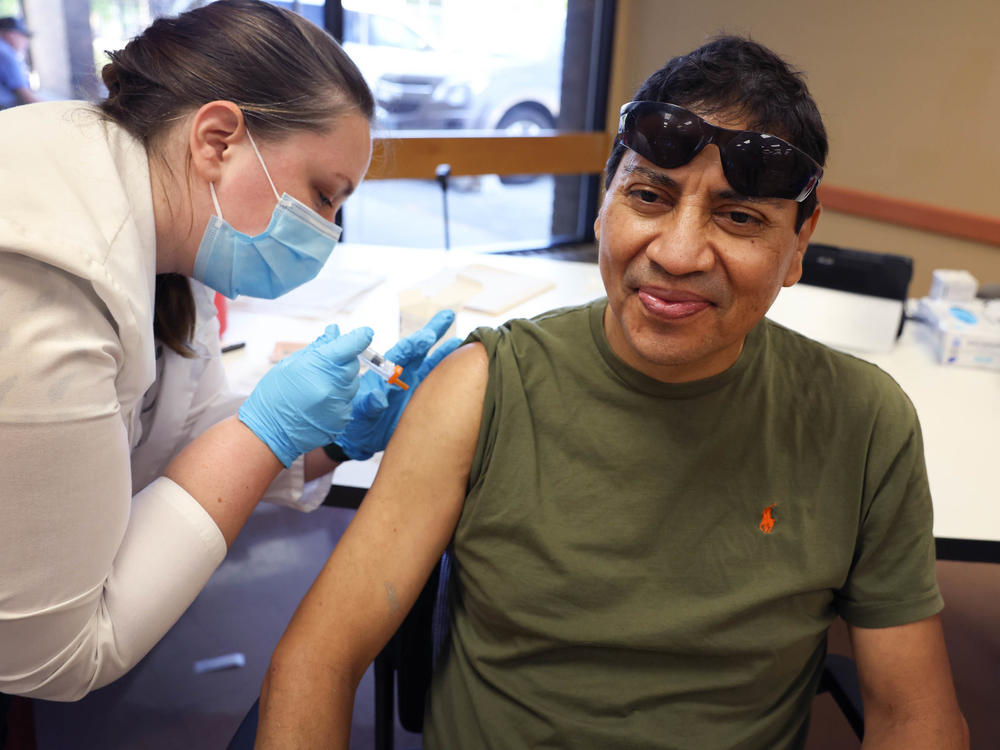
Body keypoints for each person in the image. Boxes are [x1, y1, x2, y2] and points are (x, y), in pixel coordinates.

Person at [255, 36, 969, 749]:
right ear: (604, 206)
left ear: (800, 243)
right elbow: (317, 660)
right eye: (649, 197)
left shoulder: (863, 425)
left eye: (740, 217)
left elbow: (914, 718)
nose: (677, 253)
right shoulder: (481, 391)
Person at [0, 0, 459, 710]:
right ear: (216, 140)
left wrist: (329, 440)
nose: (328, 233)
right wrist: (263, 430)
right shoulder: (41, 271)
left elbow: (181, 428)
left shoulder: (168, 232)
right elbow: (53, 657)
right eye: (322, 195)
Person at [0, 17, 39, 109]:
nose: (26, 42)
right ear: (9, 34)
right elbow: (27, 96)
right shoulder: (5, 52)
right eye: (22, 36)